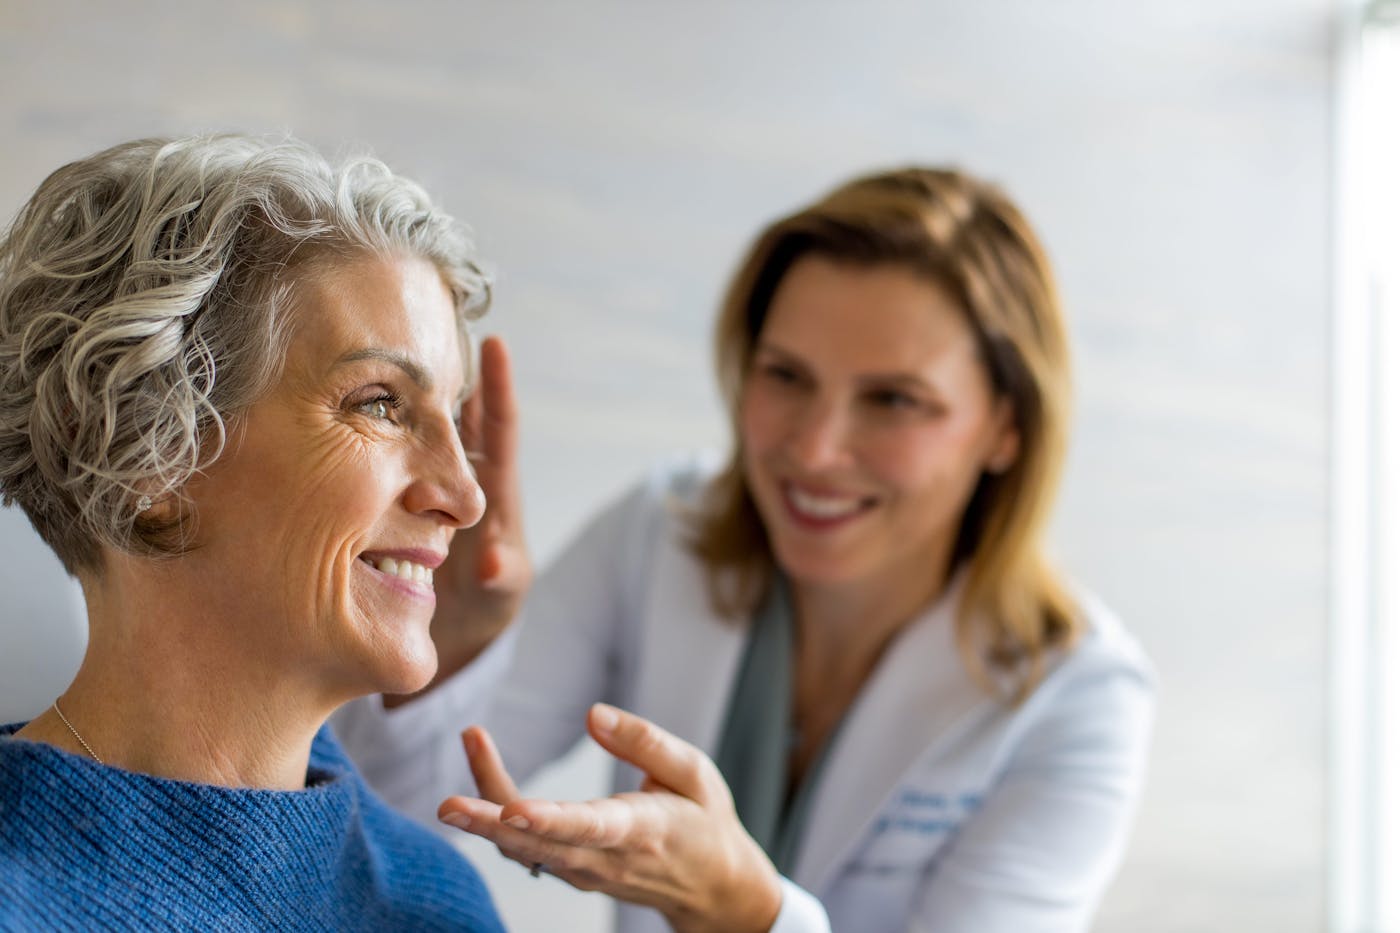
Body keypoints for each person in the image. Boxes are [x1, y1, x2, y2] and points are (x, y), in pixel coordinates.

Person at [334, 166, 1155, 933]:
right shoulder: (660, 531)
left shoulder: (1079, 699)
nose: (815, 448)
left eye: (894, 400)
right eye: (786, 376)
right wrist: (452, 645)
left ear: (1008, 426)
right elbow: (378, 826)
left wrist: (746, 911)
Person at [0, 134, 506, 931]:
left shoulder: (440, 903)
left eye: (455, 419)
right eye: (378, 403)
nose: (464, 496)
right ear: (148, 455)